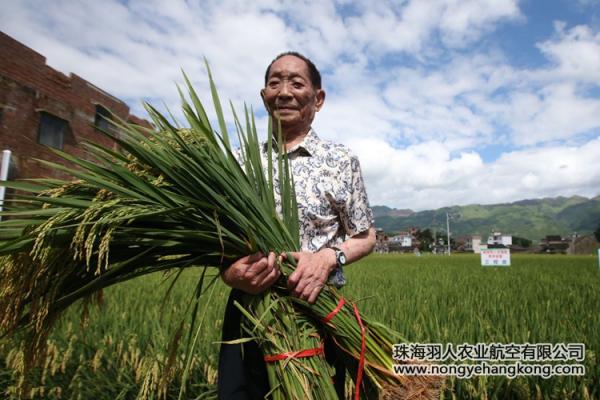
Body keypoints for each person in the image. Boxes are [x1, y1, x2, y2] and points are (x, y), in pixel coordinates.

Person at [218, 51, 376, 400]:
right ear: (264, 97)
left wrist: (328, 259)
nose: (284, 91)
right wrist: (230, 274)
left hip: (317, 311)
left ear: (318, 99)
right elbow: (218, 242)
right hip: (250, 311)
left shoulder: (340, 160)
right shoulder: (239, 162)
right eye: (274, 83)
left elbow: (365, 236)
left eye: (296, 82)